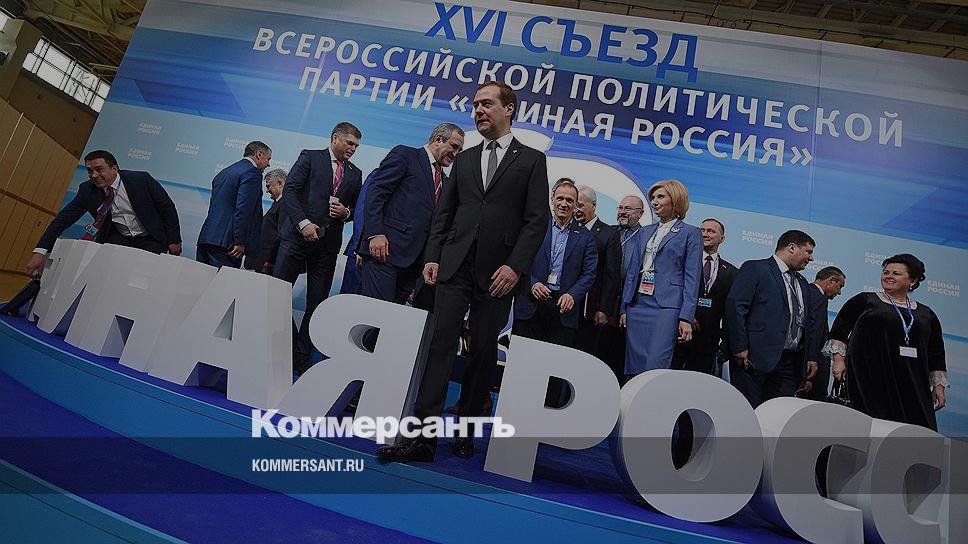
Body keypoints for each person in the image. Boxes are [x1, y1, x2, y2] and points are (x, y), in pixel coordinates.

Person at [377, 81, 549, 463]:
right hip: (455, 267)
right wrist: (433, 256)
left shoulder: (532, 160)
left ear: (509, 109)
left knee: (483, 353)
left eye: (487, 104)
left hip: (499, 276)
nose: (478, 111)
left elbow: (537, 221)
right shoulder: (465, 158)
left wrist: (515, 267)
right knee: (440, 347)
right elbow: (446, 212)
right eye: (475, 105)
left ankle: (466, 430)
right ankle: (421, 439)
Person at [275, 122, 363, 373]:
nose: (353, 149)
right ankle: (278, 347)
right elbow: (290, 192)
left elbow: (357, 208)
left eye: (356, 146)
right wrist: (303, 223)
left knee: (317, 303)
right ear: (335, 138)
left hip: (327, 247)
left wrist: (347, 213)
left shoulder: (355, 173)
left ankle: (300, 358)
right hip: (296, 239)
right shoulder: (310, 157)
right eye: (349, 143)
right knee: (276, 295)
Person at [830, 254, 948, 431]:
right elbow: (840, 330)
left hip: (911, 381)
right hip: (869, 377)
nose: (889, 276)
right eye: (886, 272)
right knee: (867, 425)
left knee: (914, 430)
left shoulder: (926, 314)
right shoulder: (865, 300)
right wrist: (839, 361)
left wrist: (939, 386)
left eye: (896, 273)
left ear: (913, 281)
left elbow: (936, 352)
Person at [27, 150, 182, 278]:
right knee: (109, 276)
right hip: (118, 237)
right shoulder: (86, 190)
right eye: (89, 171)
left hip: (151, 237)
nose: (94, 175)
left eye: (99, 169)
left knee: (144, 277)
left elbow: (167, 208)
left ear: (114, 169)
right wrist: (40, 251)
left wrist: (174, 240)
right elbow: (62, 221)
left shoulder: (141, 180)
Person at [513, 179, 597, 406]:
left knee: (554, 371)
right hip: (530, 304)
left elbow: (589, 274)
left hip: (563, 310)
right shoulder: (534, 227)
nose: (564, 204)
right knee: (522, 365)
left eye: (570, 200)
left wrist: (572, 295)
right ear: (552, 200)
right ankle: (516, 407)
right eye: (560, 198)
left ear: (576, 204)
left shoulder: (586, 236)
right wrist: (533, 283)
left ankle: (545, 416)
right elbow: (519, 259)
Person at [360, 123, 464, 303]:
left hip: (413, 264)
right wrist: (375, 233)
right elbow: (376, 192)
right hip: (384, 252)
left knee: (393, 317)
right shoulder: (406, 155)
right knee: (374, 314)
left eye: (460, 150)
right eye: (454, 147)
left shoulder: (446, 181)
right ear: (438, 139)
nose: (456, 154)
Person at [726, 230, 818, 407]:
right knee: (747, 413)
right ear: (792, 247)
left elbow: (808, 323)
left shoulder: (803, 283)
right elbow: (736, 307)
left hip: (790, 364)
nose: (811, 258)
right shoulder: (755, 269)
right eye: (808, 251)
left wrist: (809, 358)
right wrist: (739, 346)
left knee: (778, 415)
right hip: (753, 359)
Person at [619, 180, 702, 377]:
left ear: (676, 201)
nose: (654, 202)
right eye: (653, 198)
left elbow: (692, 278)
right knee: (634, 364)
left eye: (661, 197)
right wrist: (624, 307)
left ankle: (651, 397)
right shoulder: (644, 231)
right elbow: (632, 271)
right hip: (637, 304)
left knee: (655, 363)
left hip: (667, 307)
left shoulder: (691, 233)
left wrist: (686, 317)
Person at [672, 218, 738, 375]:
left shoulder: (732, 272)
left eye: (711, 231)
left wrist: (726, 342)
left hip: (708, 341)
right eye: (702, 230)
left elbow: (730, 311)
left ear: (722, 239)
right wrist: (686, 315)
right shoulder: (682, 262)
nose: (705, 234)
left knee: (698, 384)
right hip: (678, 334)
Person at [196, 141, 271, 268]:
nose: (268, 164)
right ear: (259, 154)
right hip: (228, 244)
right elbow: (243, 209)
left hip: (207, 238)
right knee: (221, 281)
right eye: (268, 159)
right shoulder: (252, 173)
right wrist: (239, 241)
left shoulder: (224, 172)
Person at [599, 195, 645, 380]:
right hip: (604, 303)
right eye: (620, 208)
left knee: (620, 358)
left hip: (631, 306)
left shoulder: (646, 237)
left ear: (640, 214)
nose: (622, 212)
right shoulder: (607, 232)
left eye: (628, 209)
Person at [572, 184, 620, 359]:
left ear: (593, 205)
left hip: (591, 308)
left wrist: (604, 309)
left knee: (584, 354)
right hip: (567, 306)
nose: (576, 210)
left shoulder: (609, 233)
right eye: (574, 205)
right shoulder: (570, 230)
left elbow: (611, 275)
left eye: (580, 205)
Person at [801, 266, 846, 400]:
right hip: (812, 365)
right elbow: (815, 331)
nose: (839, 292)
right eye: (840, 286)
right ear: (831, 281)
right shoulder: (819, 297)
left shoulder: (805, 291)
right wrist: (812, 360)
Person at [244, 168, 286, 274]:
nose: (267, 190)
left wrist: (270, 261)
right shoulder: (278, 203)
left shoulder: (285, 204)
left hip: (268, 263)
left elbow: (281, 235)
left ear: (280, 183)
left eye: (268, 186)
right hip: (262, 261)